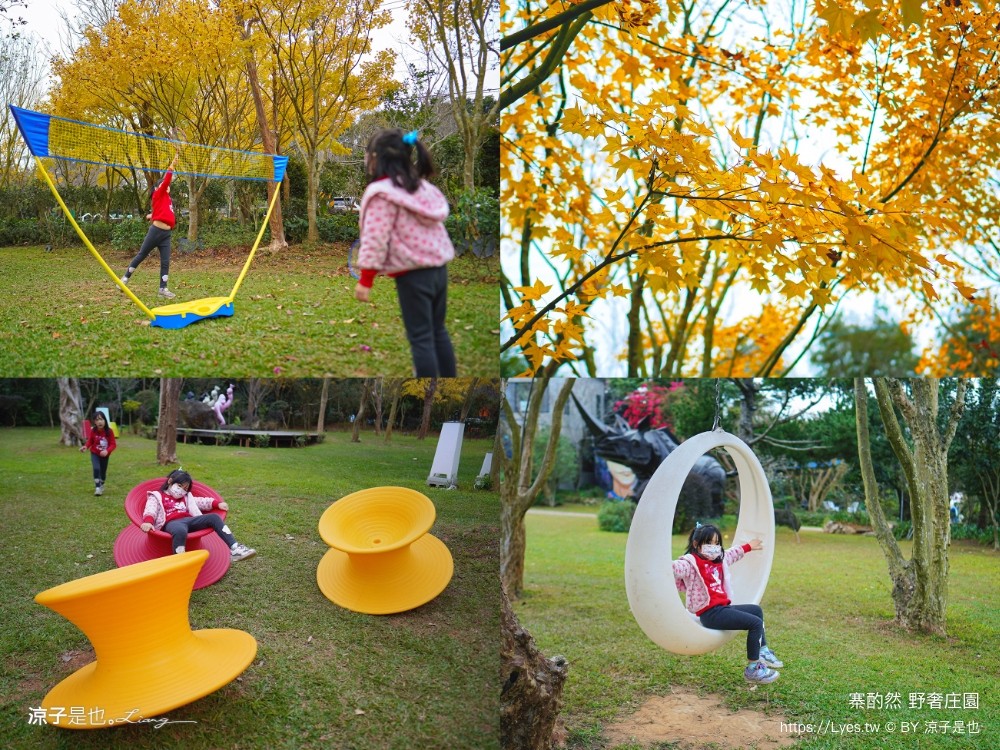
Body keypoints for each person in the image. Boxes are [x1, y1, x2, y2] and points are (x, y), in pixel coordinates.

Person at [353, 128, 456, 377]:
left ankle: (428, 385)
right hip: (439, 271)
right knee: (437, 331)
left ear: (376, 157)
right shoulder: (420, 187)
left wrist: (366, 280)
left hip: (412, 276)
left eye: (367, 154)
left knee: (421, 337)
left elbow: (376, 237)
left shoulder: (381, 193)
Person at [672, 523, 783, 684]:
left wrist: (748, 546)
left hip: (722, 608)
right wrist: (661, 563)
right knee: (755, 623)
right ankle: (753, 669)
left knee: (756, 610)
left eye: (717, 543)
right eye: (709, 543)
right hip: (710, 613)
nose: (714, 547)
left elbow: (732, 553)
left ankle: (763, 650)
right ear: (696, 544)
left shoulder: (719, 560)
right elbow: (676, 568)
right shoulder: (691, 563)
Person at [140, 469, 256, 561]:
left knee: (214, 518)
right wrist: (148, 522)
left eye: (185, 489)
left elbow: (201, 501)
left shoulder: (186, 497)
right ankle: (179, 560)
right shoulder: (157, 496)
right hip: (172, 523)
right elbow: (151, 509)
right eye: (179, 486)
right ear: (170, 481)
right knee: (180, 530)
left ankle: (235, 548)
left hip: (190, 520)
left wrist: (217, 504)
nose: (181, 491)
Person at [121, 142, 181, 298]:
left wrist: (151, 215)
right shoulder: (158, 194)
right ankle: (125, 279)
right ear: (158, 188)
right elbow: (166, 180)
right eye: (162, 185)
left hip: (166, 234)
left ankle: (163, 289)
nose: (166, 185)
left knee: (166, 262)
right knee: (141, 255)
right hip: (156, 232)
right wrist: (174, 162)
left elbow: (161, 213)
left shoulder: (167, 199)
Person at [79, 411, 116, 496]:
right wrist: (85, 446)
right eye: (97, 420)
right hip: (95, 453)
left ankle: (102, 483)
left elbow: (113, 444)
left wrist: (107, 451)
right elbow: (90, 441)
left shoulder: (109, 431)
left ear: (105, 420)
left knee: (103, 473)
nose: (99, 421)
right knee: (96, 469)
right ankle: (97, 488)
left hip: (105, 455)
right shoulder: (93, 431)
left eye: (101, 419)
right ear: (94, 422)